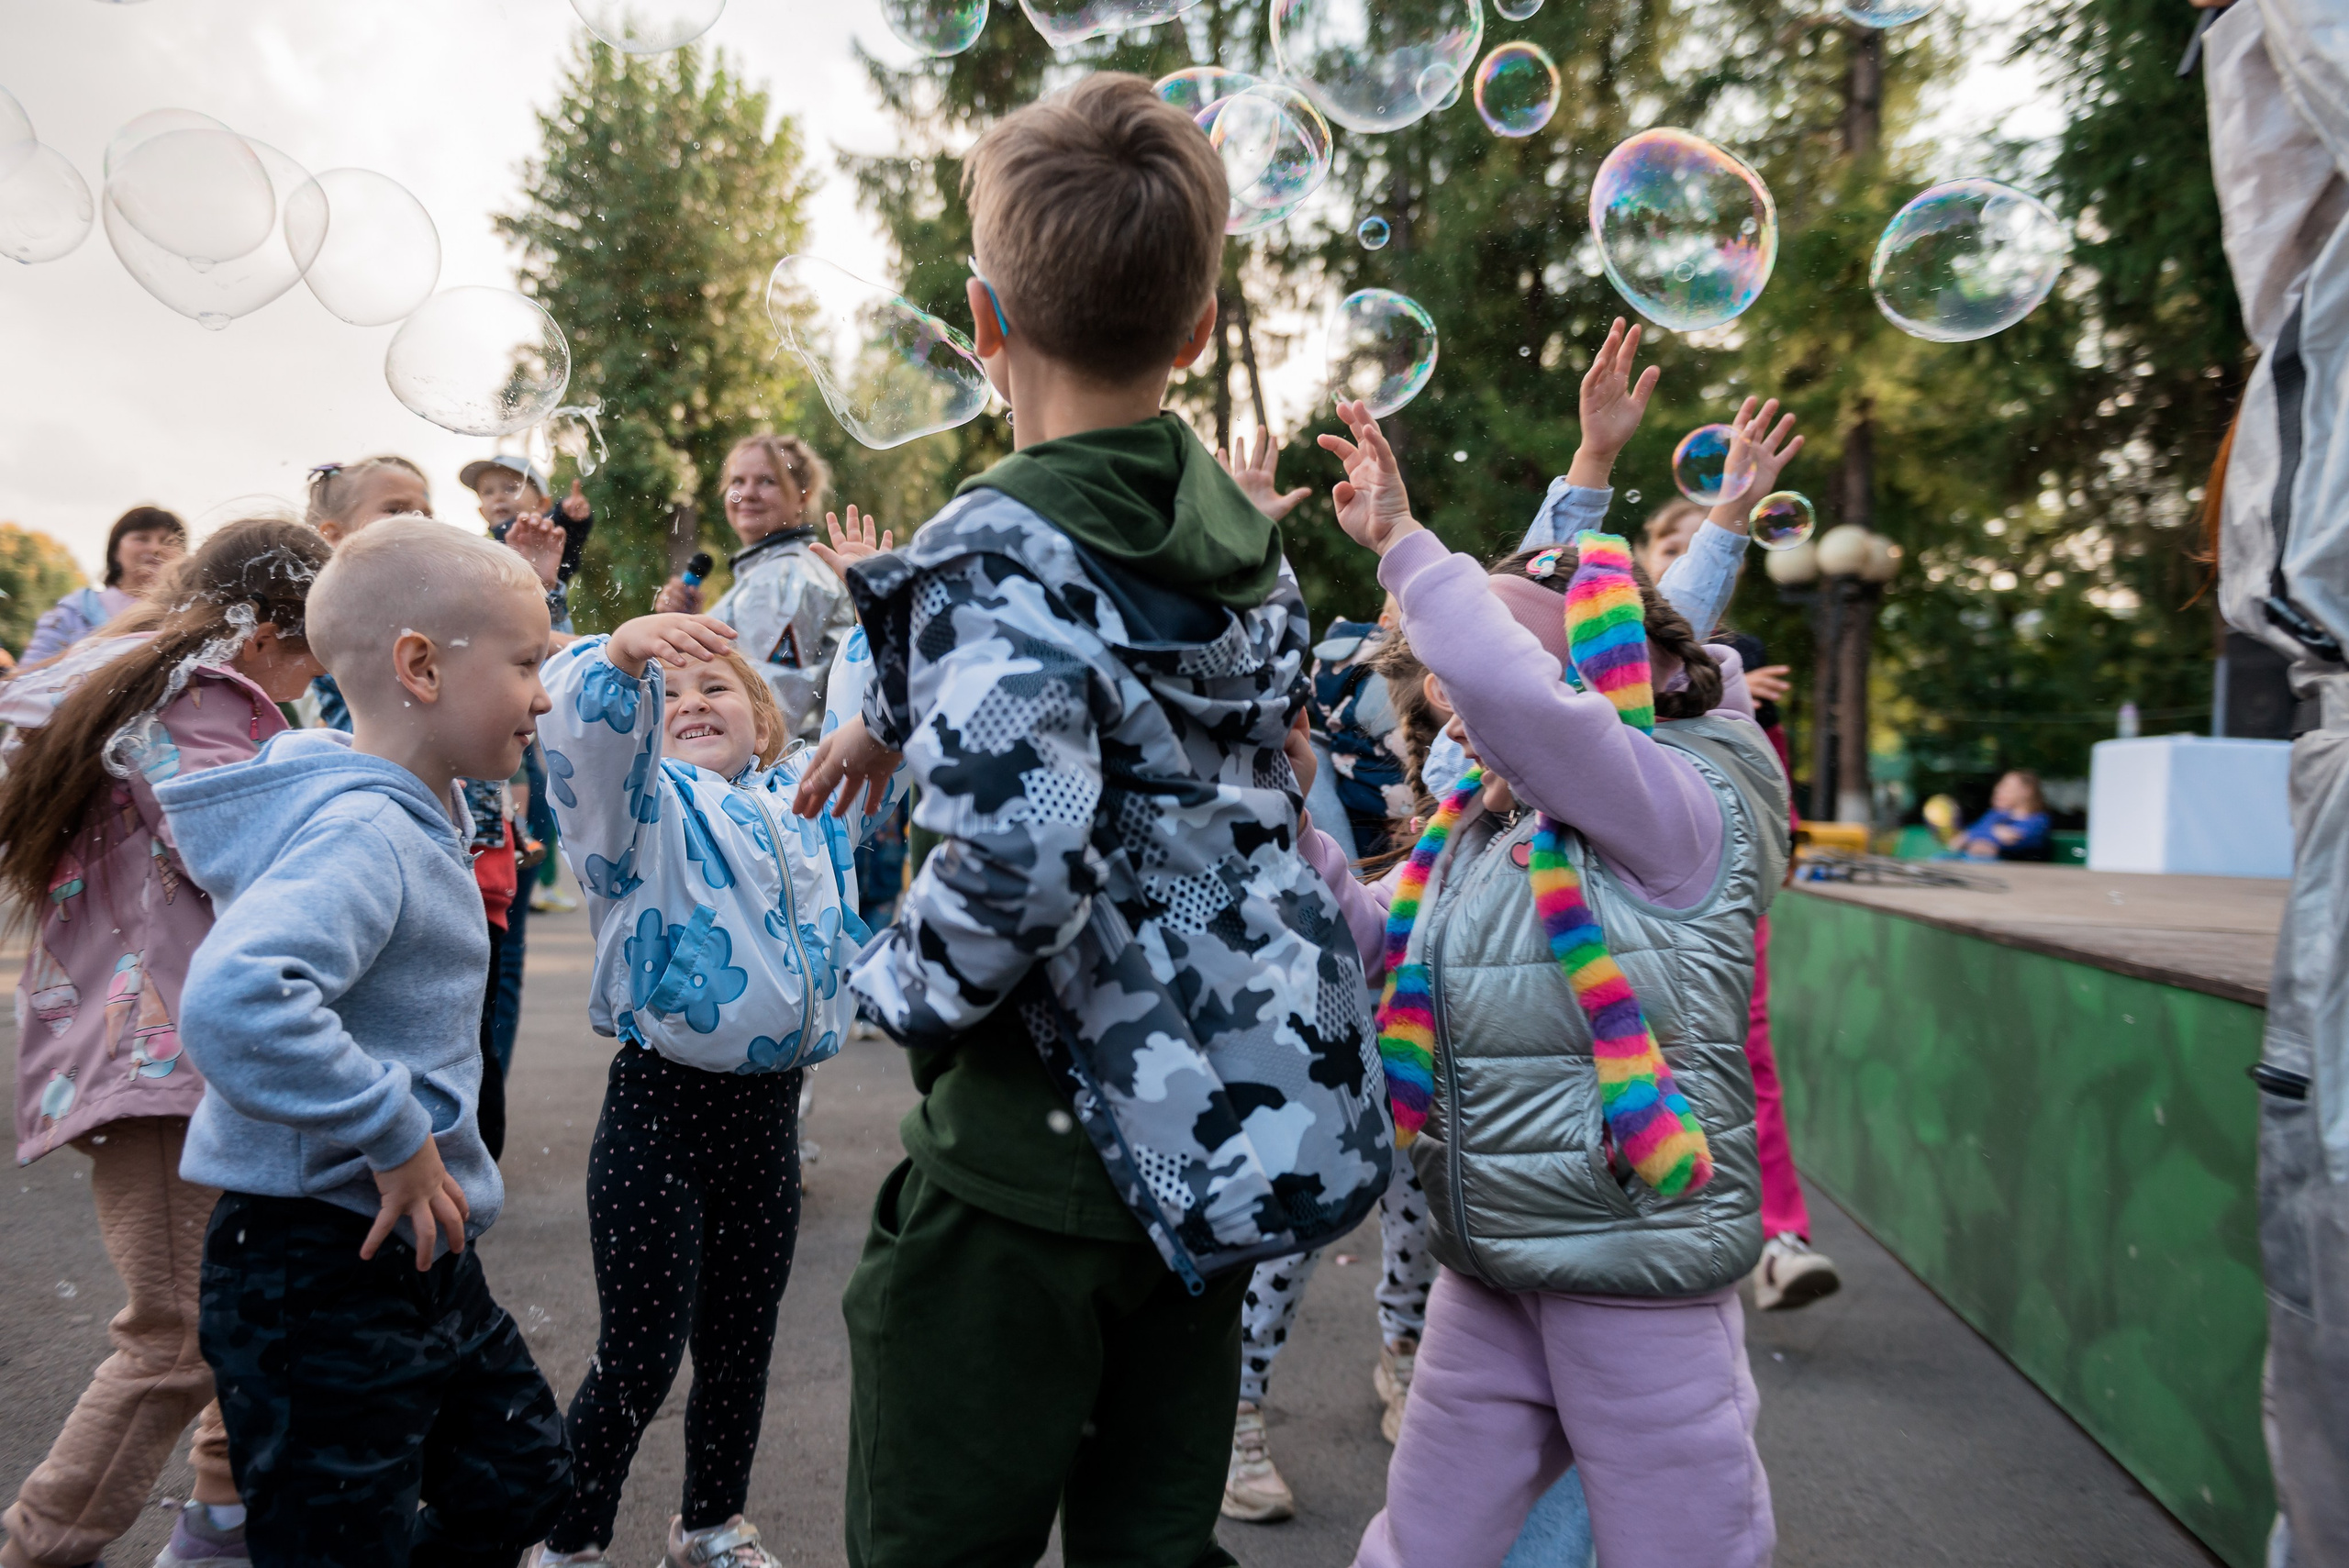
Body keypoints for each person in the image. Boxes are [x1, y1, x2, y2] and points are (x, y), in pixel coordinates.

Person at [789, 73, 1390, 1568]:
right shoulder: (1252, 550)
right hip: (1205, 1143)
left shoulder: (999, 540)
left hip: (1029, 1164)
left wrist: (886, 978)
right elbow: (1213, 805)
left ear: (984, 320)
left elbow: (1031, 834)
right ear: (1193, 331)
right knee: (1151, 1536)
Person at [1310, 392, 1790, 1568]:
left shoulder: (1675, 802)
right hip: (1493, 1258)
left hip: (1635, 1268)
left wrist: (1406, 545)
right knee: (1424, 1541)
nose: (1459, 710)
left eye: (1483, 682)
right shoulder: (1474, 829)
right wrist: (1284, 820)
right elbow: (1370, 939)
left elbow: (1530, 705)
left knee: (1679, 1544)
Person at [154, 517, 570, 1568]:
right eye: (527, 662)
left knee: (521, 1475)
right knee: (338, 1540)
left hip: (415, 1251)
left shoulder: (417, 803)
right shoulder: (365, 831)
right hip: (314, 1262)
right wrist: (391, 1127)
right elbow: (240, 995)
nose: (544, 692)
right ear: (420, 666)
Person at [529, 604, 901, 1568]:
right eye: (672, 690)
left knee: (740, 1348)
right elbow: (586, 737)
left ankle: (709, 1526)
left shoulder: (809, 803)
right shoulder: (641, 812)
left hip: (767, 1121)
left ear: (765, 720)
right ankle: (566, 1539)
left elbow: (882, 722)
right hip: (661, 1113)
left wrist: (878, 613)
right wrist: (618, 659)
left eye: (717, 684)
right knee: (640, 1358)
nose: (692, 697)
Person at [0, 518, 331, 1568]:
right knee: (177, 1330)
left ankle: (223, 1516)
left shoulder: (140, 679)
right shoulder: (197, 698)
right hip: (160, 1061)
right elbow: (236, 852)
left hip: (171, 1049)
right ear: (274, 628)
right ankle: (43, 1541)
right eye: (321, 641)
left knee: (249, 1296)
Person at [654, 436, 858, 747]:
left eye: (767, 481)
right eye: (738, 481)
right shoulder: (775, 571)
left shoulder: (784, 576)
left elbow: (770, 701)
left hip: (780, 778)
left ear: (803, 496)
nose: (747, 494)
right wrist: (688, 629)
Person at [21, 505, 187, 666]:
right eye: (141, 538)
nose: (155, 548)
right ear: (115, 551)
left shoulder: (188, 615)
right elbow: (29, 675)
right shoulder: (74, 611)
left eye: (168, 542)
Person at [463, 454, 596, 632]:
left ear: (542, 504)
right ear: (481, 512)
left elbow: (565, 535)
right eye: (488, 492)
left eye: (511, 488)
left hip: (549, 631)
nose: (498, 497)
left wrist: (569, 517)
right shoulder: (482, 551)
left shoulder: (544, 536)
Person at [1945, 769, 2052, 861]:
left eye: (2006, 786)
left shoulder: (2039, 820)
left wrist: (1981, 839)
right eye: (2000, 786)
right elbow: (1966, 835)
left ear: (2026, 791)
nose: (1998, 790)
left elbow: (2016, 841)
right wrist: (1993, 833)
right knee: (1941, 859)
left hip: (2015, 871)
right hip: (1977, 862)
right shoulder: (1995, 815)